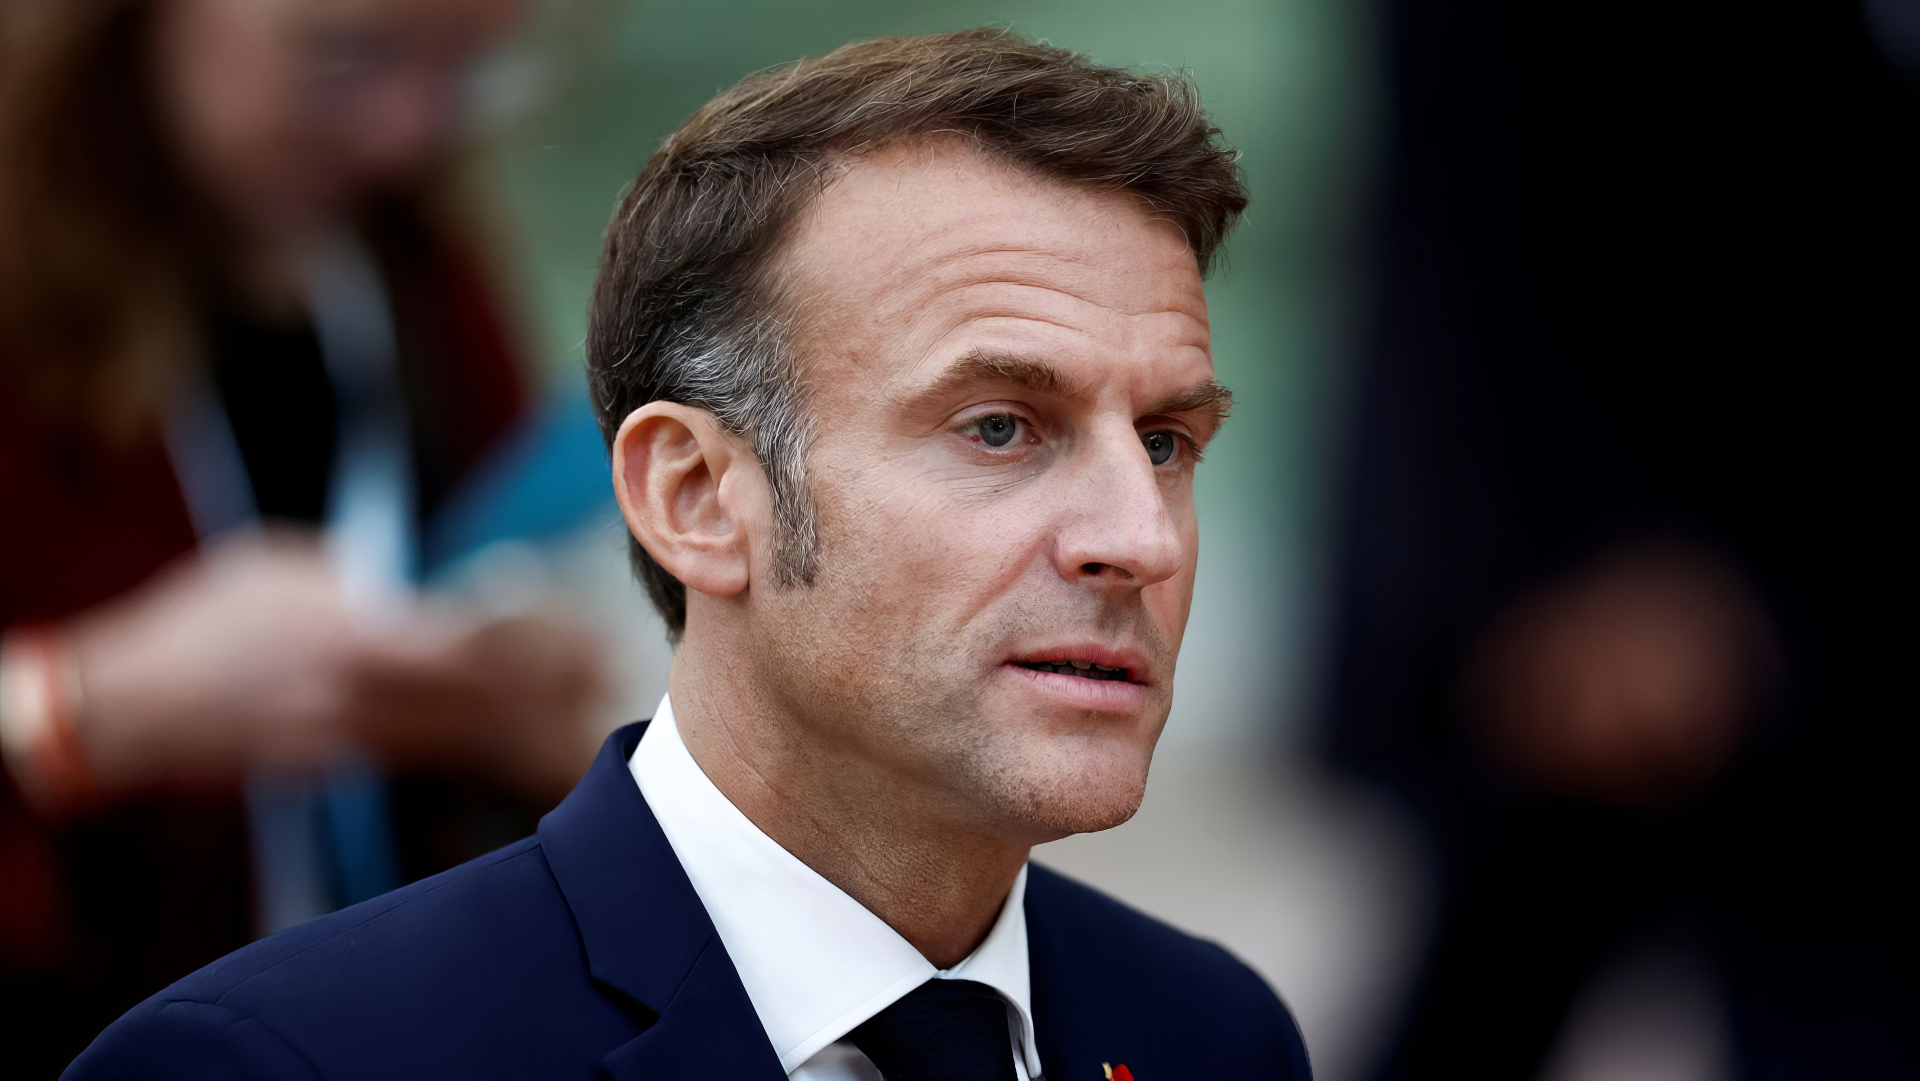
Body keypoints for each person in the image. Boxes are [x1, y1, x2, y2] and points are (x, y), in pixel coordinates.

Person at [65, 28, 1313, 1081]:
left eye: (1164, 441)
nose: (1138, 539)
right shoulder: (288, 1060)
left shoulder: (1215, 1032)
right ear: (699, 496)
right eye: (999, 427)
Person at [0, 0, 607, 1071]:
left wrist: (534, 719)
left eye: (465, 73)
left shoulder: (408, 270)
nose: (404, 129)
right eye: (345, 56)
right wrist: (78, 706)